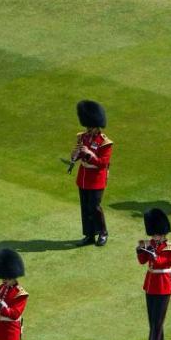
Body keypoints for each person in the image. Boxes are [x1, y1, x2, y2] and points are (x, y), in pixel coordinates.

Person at [72, 100, 112, 247]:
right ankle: (89, 235)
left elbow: (102, 163)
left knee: (94, 207)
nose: (88, 129)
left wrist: (89, 154)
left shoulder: (105, 142)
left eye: (91, 127)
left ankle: (103, 232)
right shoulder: (82, 137)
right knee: (85, 207)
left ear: (97, 127)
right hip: (83, 177)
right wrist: (75, 156)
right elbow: (76, 155)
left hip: (96, 179)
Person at [136, 208, 171, 340]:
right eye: (153, 234)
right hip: (151, 284)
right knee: (152, 316)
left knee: (158, 318)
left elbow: (161, 263)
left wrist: (151, 252)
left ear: (163, 234)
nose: (154, 237)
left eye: (156, 234)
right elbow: (142, 262)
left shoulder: (168, 248)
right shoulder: (151, 243)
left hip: (163, 285)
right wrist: (140, 251)